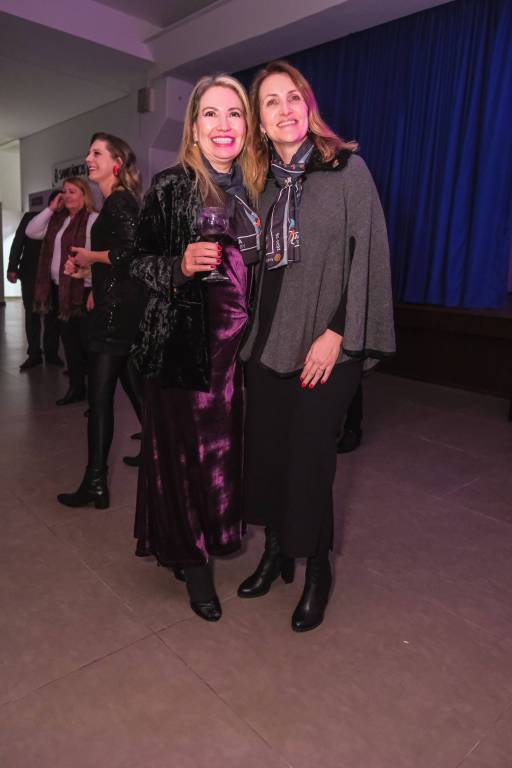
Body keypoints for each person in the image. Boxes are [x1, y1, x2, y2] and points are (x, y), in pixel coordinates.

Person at [238, 61, 395, 632]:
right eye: (270, 102)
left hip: (328, 341)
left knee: (309, 458)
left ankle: (317, 572)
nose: (284, 109)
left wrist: (336, 333)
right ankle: (276, 552)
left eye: (293, 97)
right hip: (266, 342)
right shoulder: (259, 186)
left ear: (308, 106)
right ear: (260, 123)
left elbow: (367, 257)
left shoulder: (347, 169)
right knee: (269, 453)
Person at [130, 74, 260, 622]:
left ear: (247, 125)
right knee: (186, 460)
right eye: (211, 113)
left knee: (225, 456)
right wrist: (179, 266)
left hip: (241, 354)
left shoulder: (257, 188)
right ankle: (193, 562)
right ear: (193, 127)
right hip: (184, 349)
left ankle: (214, 533)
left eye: (234, 113)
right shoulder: (171, 185)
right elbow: (136, 260)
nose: (223, 125)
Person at [57, 133, 144, 510]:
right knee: (136, 392)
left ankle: (95, 482)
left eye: (97, 153)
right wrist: (86, 272)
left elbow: (130, 253)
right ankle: (160, 459)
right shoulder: (115, 202)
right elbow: (120, 264)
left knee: (100, 399)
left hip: (114, 315)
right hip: (119, 308)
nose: (88, 158)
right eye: (88, 152)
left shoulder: (120, 201)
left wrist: (91, 258)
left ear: (116, 164)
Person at [26, 177, 98, 404]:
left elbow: (102, 256)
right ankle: (76, 388)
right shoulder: (59, 220)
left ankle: (97, 398)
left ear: (84, 194)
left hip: (84, 291)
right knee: (69, 344)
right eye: (64, 191)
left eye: (72, 191)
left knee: (88, 347)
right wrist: (50, 208)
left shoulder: (93, 219)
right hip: (61, 291)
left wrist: (96, 290)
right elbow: (31, 231)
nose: (66, 195)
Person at [6, 191, 62, 371]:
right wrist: (12, 267)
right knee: (32, 315)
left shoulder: (65, 221)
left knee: (53, 315)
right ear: (51, 202)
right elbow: (18, 242)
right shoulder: (31, 218)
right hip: (30, 273)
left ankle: (51, 353)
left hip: (53, 275)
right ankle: (34, 354)